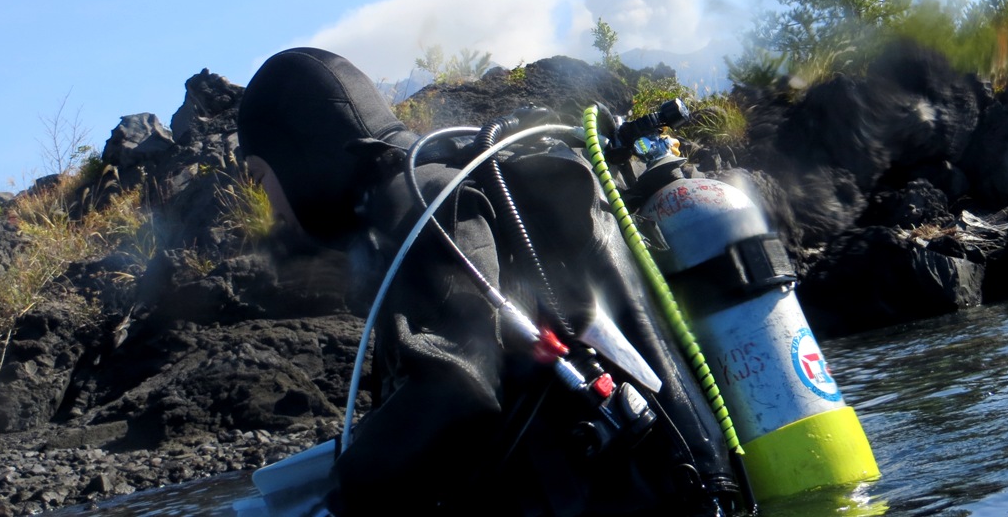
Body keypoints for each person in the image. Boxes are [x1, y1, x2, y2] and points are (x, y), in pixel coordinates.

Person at [237, 47, 741, 516]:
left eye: (261, 176)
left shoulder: (421, 197)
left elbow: (460, 384)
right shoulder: (450, 176)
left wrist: (344, 495)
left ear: (298, 155)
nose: (271, 208)